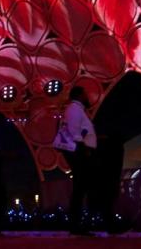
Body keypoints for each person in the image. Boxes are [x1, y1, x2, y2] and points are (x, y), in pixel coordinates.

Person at [53, 86, 97, 234]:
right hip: (78, 150)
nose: (87, 96)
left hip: (79, 150)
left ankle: (77, 224)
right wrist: (82, 148)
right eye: (85, 93)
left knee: (81, 187)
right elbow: (74, 131)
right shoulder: (74, 109)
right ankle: (76, 225)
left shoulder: (76, 109)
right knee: (81, 187)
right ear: (79, 95)